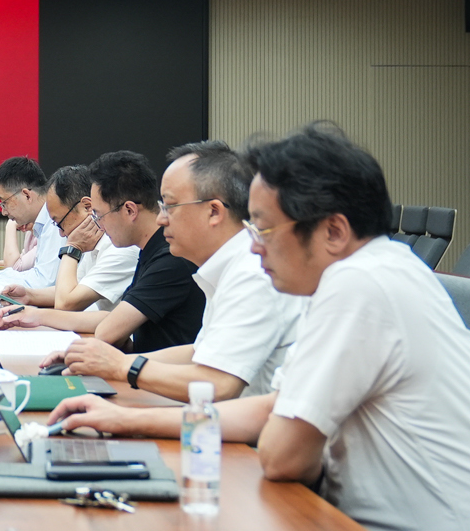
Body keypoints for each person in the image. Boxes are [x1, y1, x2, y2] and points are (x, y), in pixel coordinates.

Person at [48, 124, 470, 531]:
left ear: (334, 231)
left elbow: (283, 455)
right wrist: (125, 420)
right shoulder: (372, 272)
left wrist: (136, 392)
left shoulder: (361, 286)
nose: (253, 246)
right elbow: (273, 408)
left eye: (263, 228)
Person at [31, 142, 301, 399]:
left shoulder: (250, 273)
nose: (161, 218)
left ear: (214, 212)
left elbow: (219, 384)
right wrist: (102, 360)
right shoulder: (222, 268)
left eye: (170, 206)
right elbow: (200, 352)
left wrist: (121, 366)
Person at [0, 150, 204, 357]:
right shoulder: (148, 249)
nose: (97, 223)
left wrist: (72, 247)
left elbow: (105, 327)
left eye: (98, 214)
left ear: (130, 210)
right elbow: (111, 317)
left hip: (152, 373)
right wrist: (35, 313)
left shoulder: (167, 256)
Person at [2, 165, 138, 312]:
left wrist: (72, 248)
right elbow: (70, 290)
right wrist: (28, 295)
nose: (61, 233)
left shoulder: (120, 248)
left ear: (87, 207)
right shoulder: (93, 243)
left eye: (60, 223)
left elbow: (65, 303)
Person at [0, 157, 58, 291]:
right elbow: (36, 274)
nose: (4, 212)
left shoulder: (55, 222)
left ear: (27, 195)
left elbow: (44, 282)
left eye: (5, 202)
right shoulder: (40, 223)